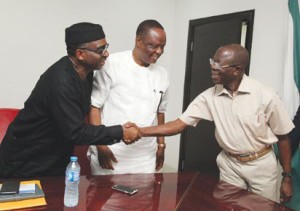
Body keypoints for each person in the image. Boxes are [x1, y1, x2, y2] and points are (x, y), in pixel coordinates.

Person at [140, 44, 294, 203]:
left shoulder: (265, 95)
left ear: (237, 70)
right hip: (229, 164)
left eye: (219, 64)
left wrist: (287, 178)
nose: (212, 67)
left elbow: (283, 137)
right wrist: (140, 131)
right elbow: (178, 124)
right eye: (213, 61)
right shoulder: (209, 96)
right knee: (226, 207)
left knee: (262, 207)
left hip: (261, 165)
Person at [0, 22, 140, 178]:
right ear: (80, 54)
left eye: (106, 47)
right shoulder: (60, 82)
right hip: (26, 161)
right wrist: (120, 132)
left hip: (54, 159)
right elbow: (76, 132)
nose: (106, 54)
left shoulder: (86, 73)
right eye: (101, 50)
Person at [88, 20, 169, 175]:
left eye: (162, 46)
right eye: (153, 45)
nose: (159, 51)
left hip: (145, 155)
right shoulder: (112, 64)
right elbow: (94, 106)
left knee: (143, 198)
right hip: (112, 151)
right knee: (105, 198)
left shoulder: (162, 74)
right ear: (138, 41)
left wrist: (161, 145)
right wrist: (100, 145)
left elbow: (160, 111)